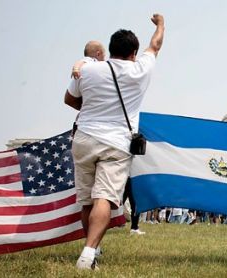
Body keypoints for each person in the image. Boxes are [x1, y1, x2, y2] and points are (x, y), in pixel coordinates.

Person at [64, 13, 165, 270]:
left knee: (87, 200)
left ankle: (93, 249)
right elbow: (155, 45)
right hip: (116, 143)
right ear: (133, 52)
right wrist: (161, 24)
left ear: (110, 50)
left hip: (84, 137)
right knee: (105, 198)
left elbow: (70, 99)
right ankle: (87, 255)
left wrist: (93, 109)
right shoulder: (139, 70)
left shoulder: (88, 70)